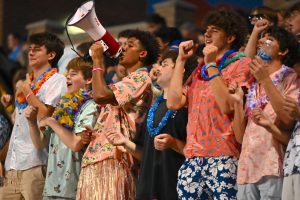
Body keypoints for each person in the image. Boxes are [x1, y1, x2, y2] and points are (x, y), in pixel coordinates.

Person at [167, 8, 252, 199]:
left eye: (214, 30)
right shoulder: (200, 69)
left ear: (230, 37)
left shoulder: (241, 64)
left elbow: (229, 106)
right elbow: (173, 102)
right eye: (206, 29)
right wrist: (180, 61)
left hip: (224, 156)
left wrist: (212, 64)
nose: (206, 33)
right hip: (193, 158)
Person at [76, 29, 160, 200]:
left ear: (142, 53)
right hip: (99, 158)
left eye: (130, 46)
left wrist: (98, 59)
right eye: (123, 44)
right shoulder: (125, 82)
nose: (123, 49)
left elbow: (99, 95)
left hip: (115, 161)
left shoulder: (141, 78)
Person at [106, 50, 197, 200]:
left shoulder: (188, 105)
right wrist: (125, 142)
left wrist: (174, 143)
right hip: (147, 190)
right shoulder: (154, 107)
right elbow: (145, 154)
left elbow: (196, 152)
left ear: (181, 68)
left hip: (176, 189)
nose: (157, 68)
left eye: (164, 64)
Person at [231, 26, 299, 199]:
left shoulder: (290, 78)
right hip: (246, 170)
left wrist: (265, 79)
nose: (261, 41)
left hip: (272, 167)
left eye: (269, 39)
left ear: (283, 51)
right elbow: (240, 138)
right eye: (261, 38)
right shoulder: (253, 85)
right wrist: (239, 103)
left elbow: (287, 120)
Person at [0, 32, 67, 200]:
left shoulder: (57, 80)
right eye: (30, 49)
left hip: (35, 164)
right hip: (12, 165)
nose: (31, 53)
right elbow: (18, 124)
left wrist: (28, 92)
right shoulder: (27, 81)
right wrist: (9, 106)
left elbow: (45, 114)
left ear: (51, 55)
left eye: (37, 49)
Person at [25, 57, 98, 199]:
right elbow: (40, 144)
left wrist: (52, 122)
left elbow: (76, 144)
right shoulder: (62, 105)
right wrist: (32, 122)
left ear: (88, 79)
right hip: (51, 187)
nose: (67, 77)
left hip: (73, 189)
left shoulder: (91, 106)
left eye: (73, 74)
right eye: (67, 74)